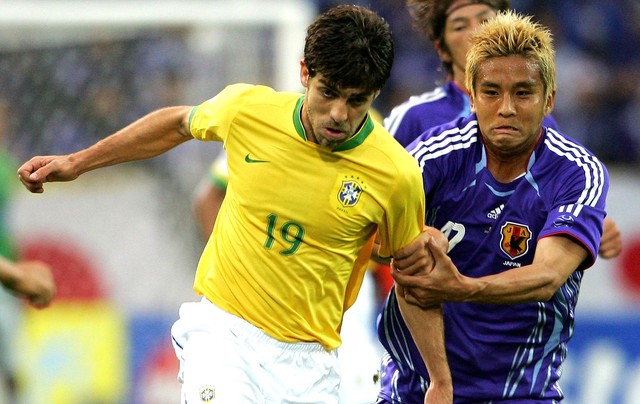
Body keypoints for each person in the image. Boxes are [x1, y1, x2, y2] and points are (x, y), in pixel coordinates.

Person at [17, 5, 452, 403]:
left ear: (374, 94)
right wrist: (78, 162)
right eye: (329, 92)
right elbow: (177, 123)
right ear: (305, 73)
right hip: (226, 335)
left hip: (311, 362)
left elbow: (408, 273)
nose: (339, 113)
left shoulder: (394, 174)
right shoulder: (250, 112)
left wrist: (439, 378)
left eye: (355, 100)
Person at [377, 10, 609, 402]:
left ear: (548, 100)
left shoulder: (577, 172)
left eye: (523, 93)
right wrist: (412, 241)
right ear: (471, 96)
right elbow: (376, 240)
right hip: (418, 390)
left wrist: (462, 288)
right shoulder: (431, 156)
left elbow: (547, 276)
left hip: (522, 391)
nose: (506, 108)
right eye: (491, 92)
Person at [384, 0, 621, 260]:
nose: (476, 32)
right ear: (442, 49)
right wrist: (420, 242)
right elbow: (375, 214)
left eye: (485, 21)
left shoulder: (536, 122)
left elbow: (552, 200)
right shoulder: (413, 119)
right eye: (460, 26)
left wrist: (590, 227)